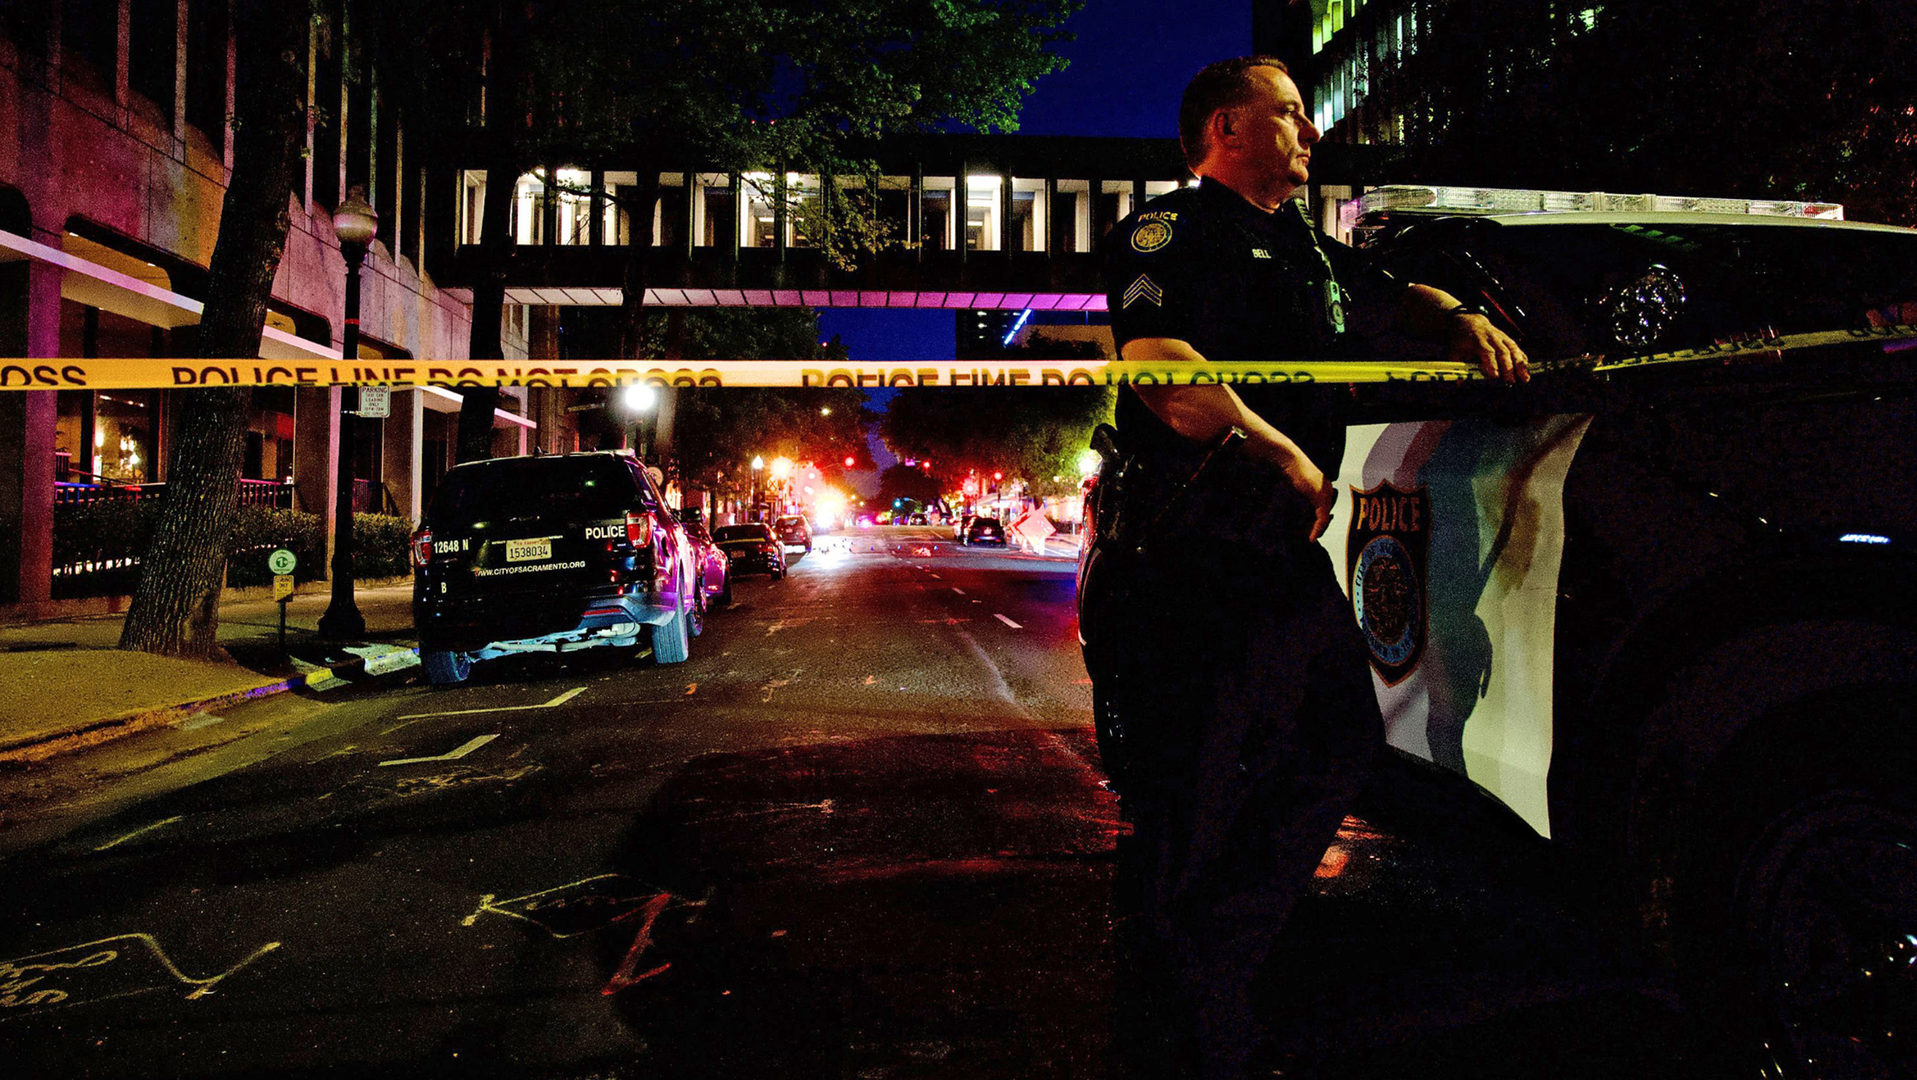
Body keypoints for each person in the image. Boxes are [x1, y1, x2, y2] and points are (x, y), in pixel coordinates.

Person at [1080, 56, 1527, 1080]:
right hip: (1189, 555)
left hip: (1273, 554)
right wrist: (1268, 442)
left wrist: (1457, 319)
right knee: (1190, 796)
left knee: (1336, 742)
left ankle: (1211, 970)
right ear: (1228, 129)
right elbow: (1156, 370)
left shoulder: (1305, 251)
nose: (1310, 134)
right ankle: (1173, 1028)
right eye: (1289, 115)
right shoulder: (1169, 232)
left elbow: (1391, 296)